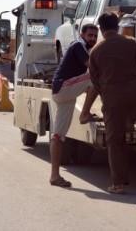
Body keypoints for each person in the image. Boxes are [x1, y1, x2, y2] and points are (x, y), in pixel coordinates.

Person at [89, 12, 136, 194]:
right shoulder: (132, 42)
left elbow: (95, 81)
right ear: (117, 27)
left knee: (115, 140)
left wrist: (108, 95)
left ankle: (118, 183)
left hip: (113, 97)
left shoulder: (96, 51)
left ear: (101, 28)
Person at [50, 24, 99, 188]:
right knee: (95, 78)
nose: (92, 38)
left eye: (95, 36)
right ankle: (85, 113)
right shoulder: (78, 45)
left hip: (65, 94)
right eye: (90, 35)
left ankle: (54, 176)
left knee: (58, 136)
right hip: (64, 87)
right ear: (82, 34)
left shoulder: (85, 48)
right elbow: (92, 66)